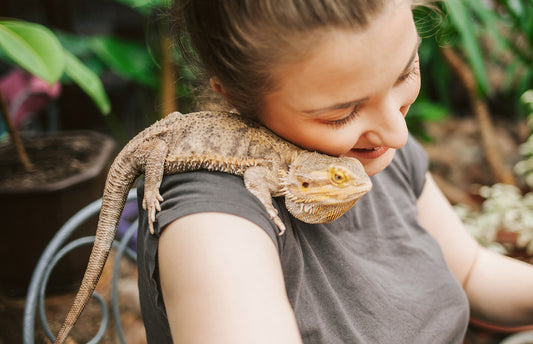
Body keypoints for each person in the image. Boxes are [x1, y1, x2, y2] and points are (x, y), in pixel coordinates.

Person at [136, 0, 533, 343]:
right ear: (238, 97)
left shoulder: (371, 149)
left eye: (406, 72)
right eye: (341, 114)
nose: (398, 134)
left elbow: (470, 273)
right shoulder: (214, 226)